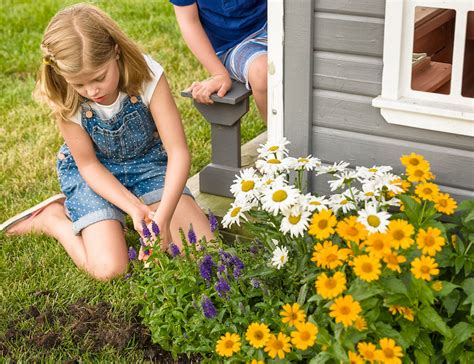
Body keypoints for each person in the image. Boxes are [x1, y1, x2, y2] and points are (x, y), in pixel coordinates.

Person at [0, 3, 213, 280]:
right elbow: (88, 166)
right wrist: (135, 209)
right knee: (110, 269)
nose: (91, 90)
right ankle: (54, 220)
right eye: (80, 83)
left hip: (148, 163)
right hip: (94, 173)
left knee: (202, 249)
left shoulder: (148, 76)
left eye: (99, 77)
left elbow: (178, 152)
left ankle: (137, 211)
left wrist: (163, 218)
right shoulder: (66, 94)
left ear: (115, 51)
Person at [170, 0, 268, 123]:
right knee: (262, 72)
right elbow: (189, 22)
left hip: (276, 20)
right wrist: (218, 73)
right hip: (235, 45)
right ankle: (280, 137)